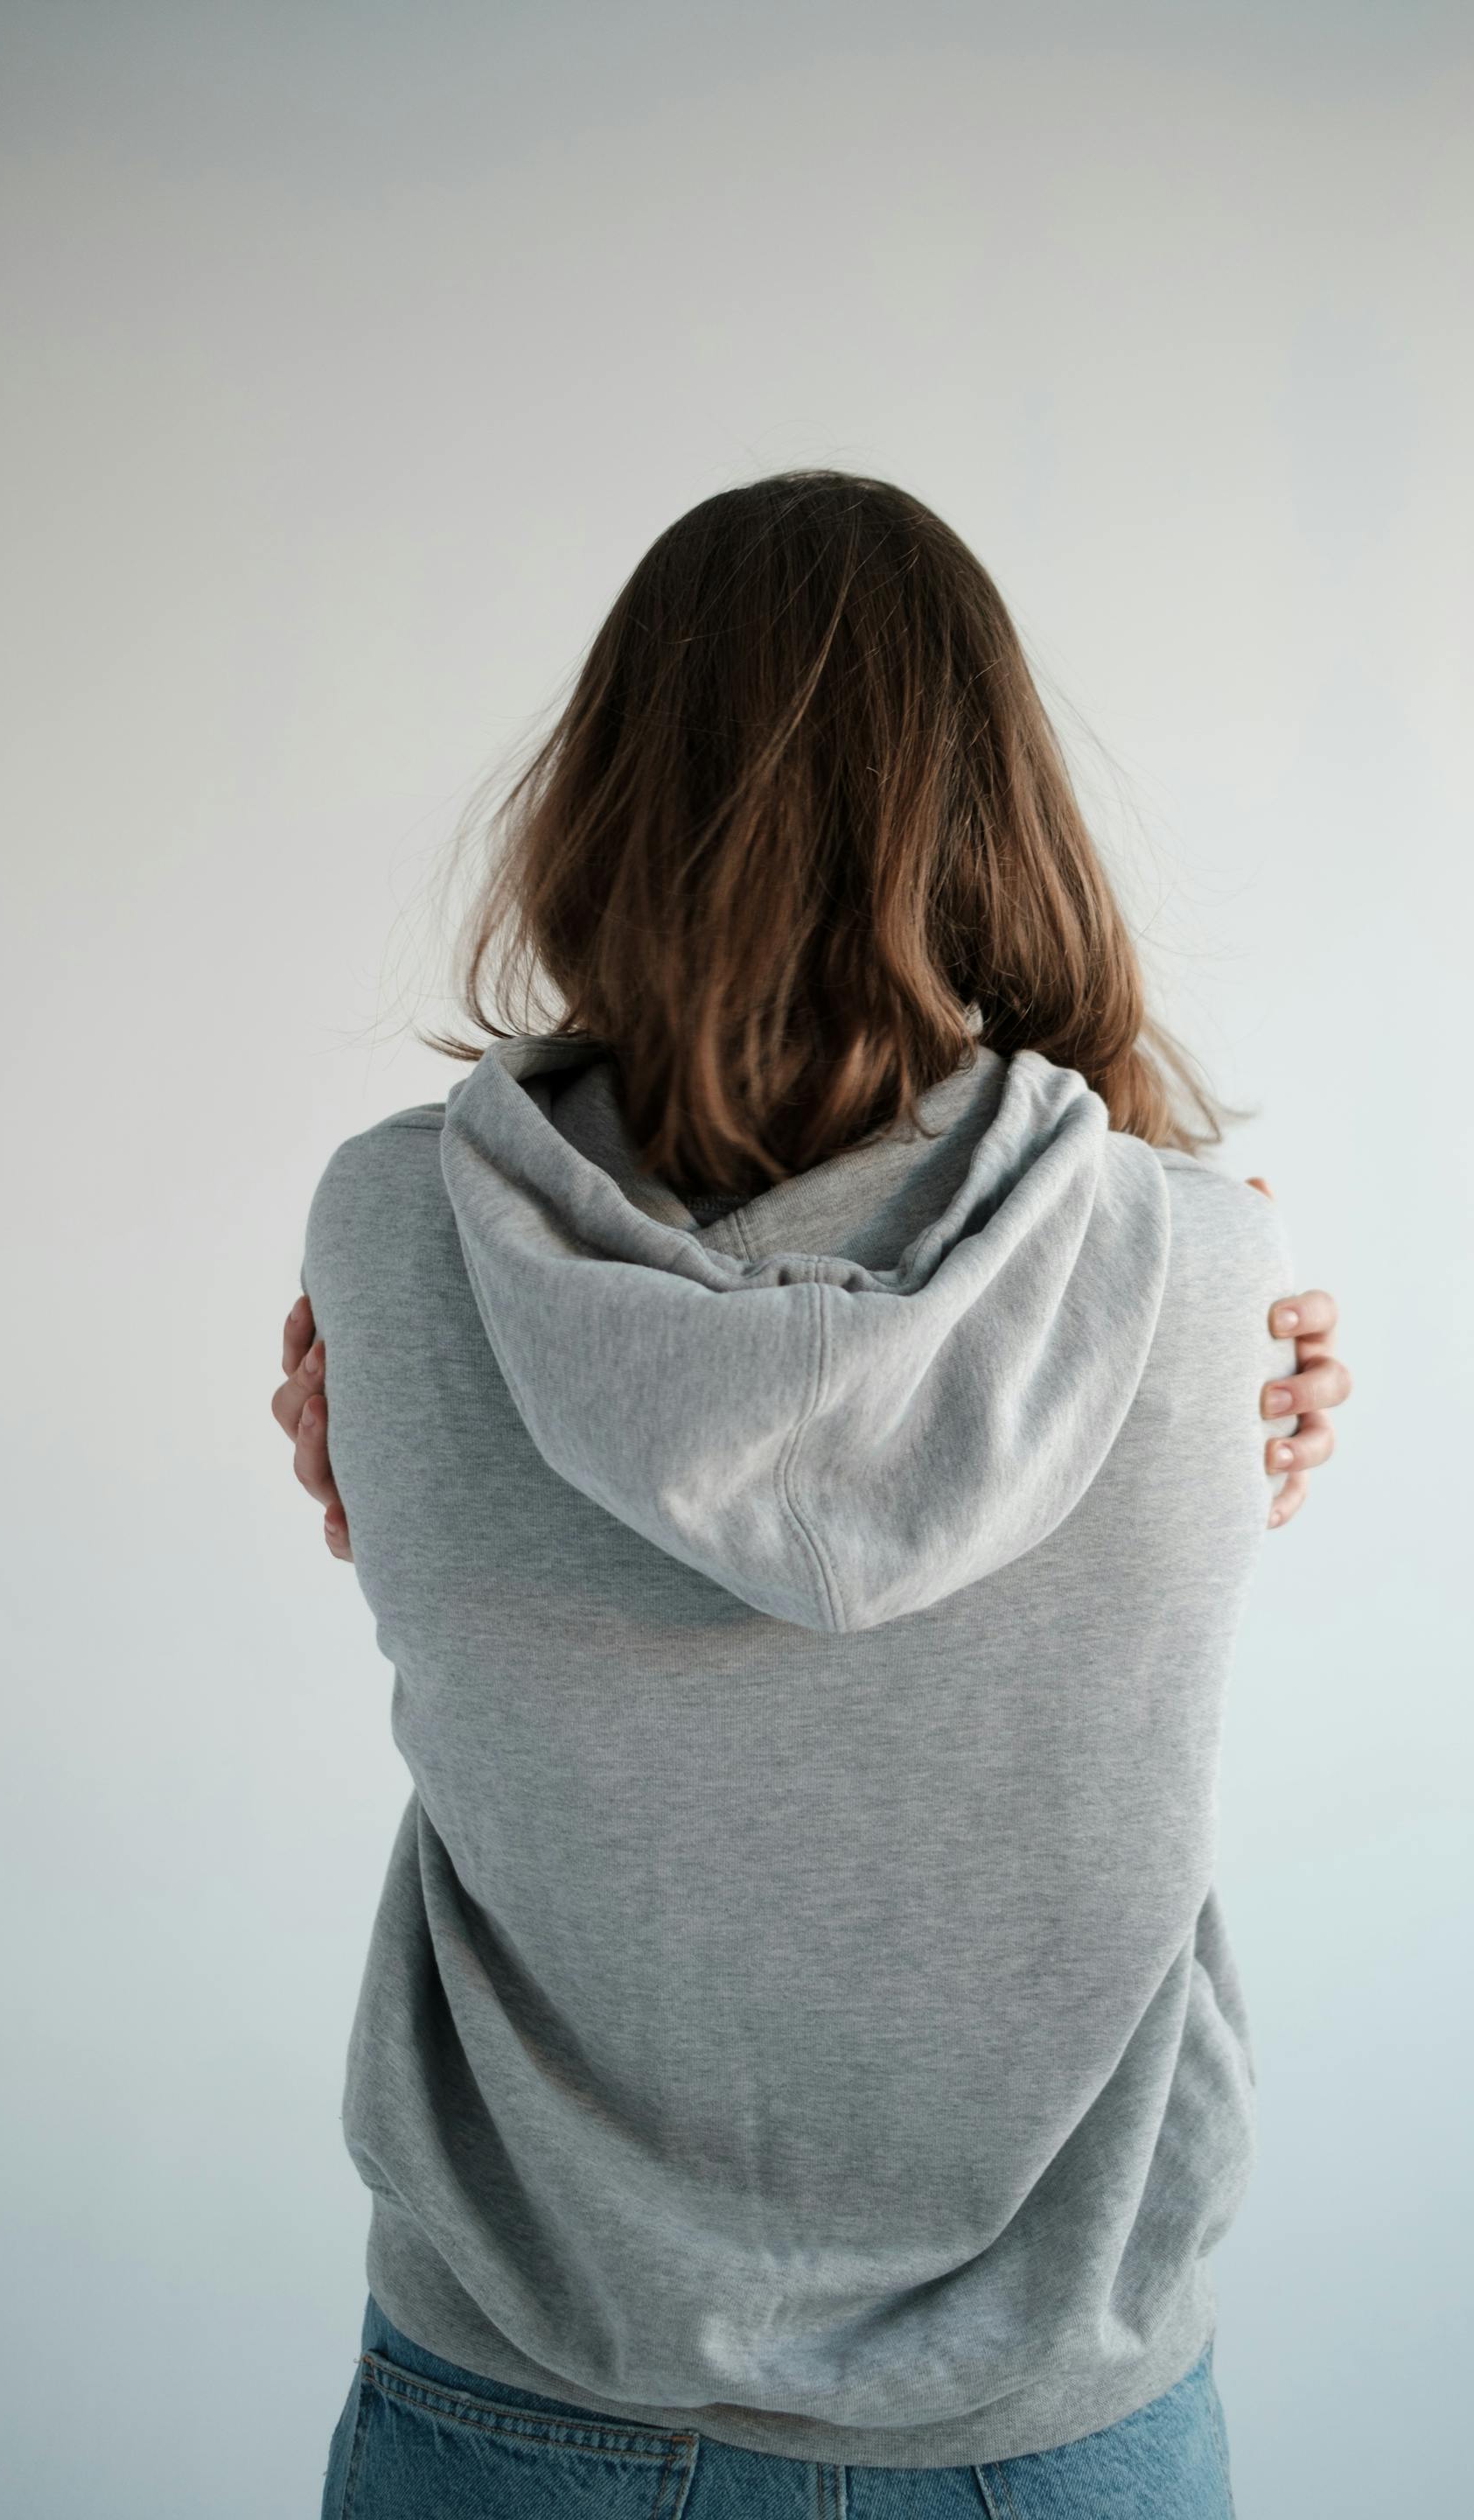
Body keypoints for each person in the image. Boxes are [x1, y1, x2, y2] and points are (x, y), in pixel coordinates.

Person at [275, 471, 1352, 2519]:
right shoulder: (1196, 1276)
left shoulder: (399, 1241)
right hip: (1051, 2427)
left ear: (599, 796)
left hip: (517, 2405)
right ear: (998, 814)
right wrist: (1205, 1321)